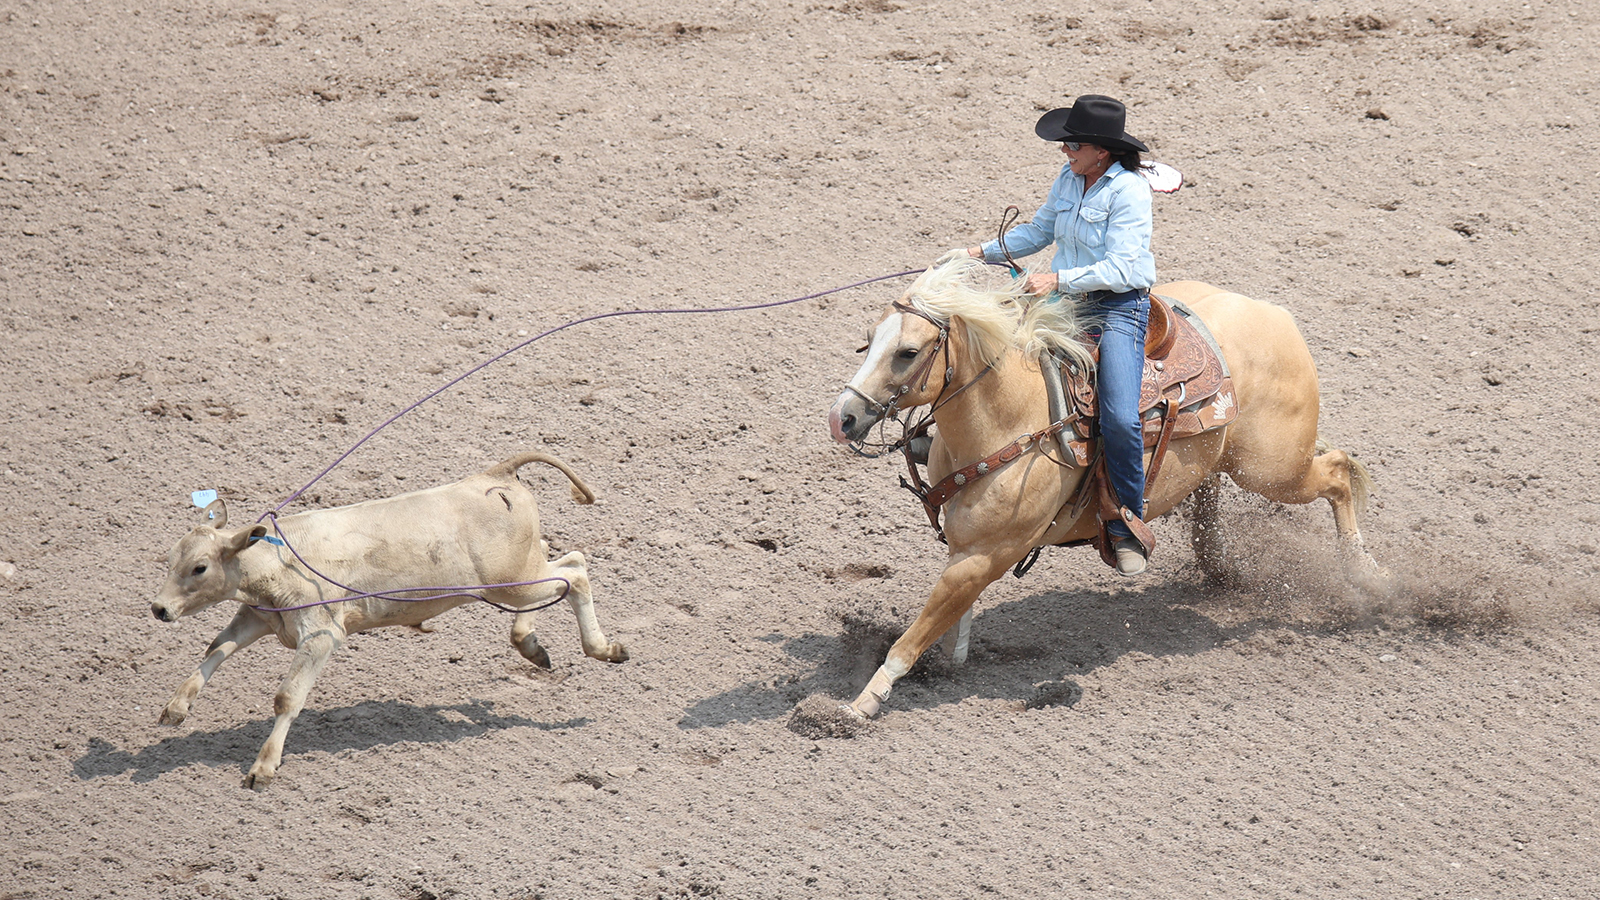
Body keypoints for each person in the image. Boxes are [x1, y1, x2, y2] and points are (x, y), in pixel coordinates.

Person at [948, 94, 1157, 576]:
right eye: (1065, 145)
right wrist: (977, 252)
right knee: (986, 356)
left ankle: (1127, 522)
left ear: (1101, 151)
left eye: (1073, 145)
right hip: (1066, 303)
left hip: (1116, 309)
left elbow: (1124, 266)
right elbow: (1040, 231)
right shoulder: (1069, 179)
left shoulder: (1128, 191)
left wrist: (1057, 281)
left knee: (1122, 416)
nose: (1065, 152)